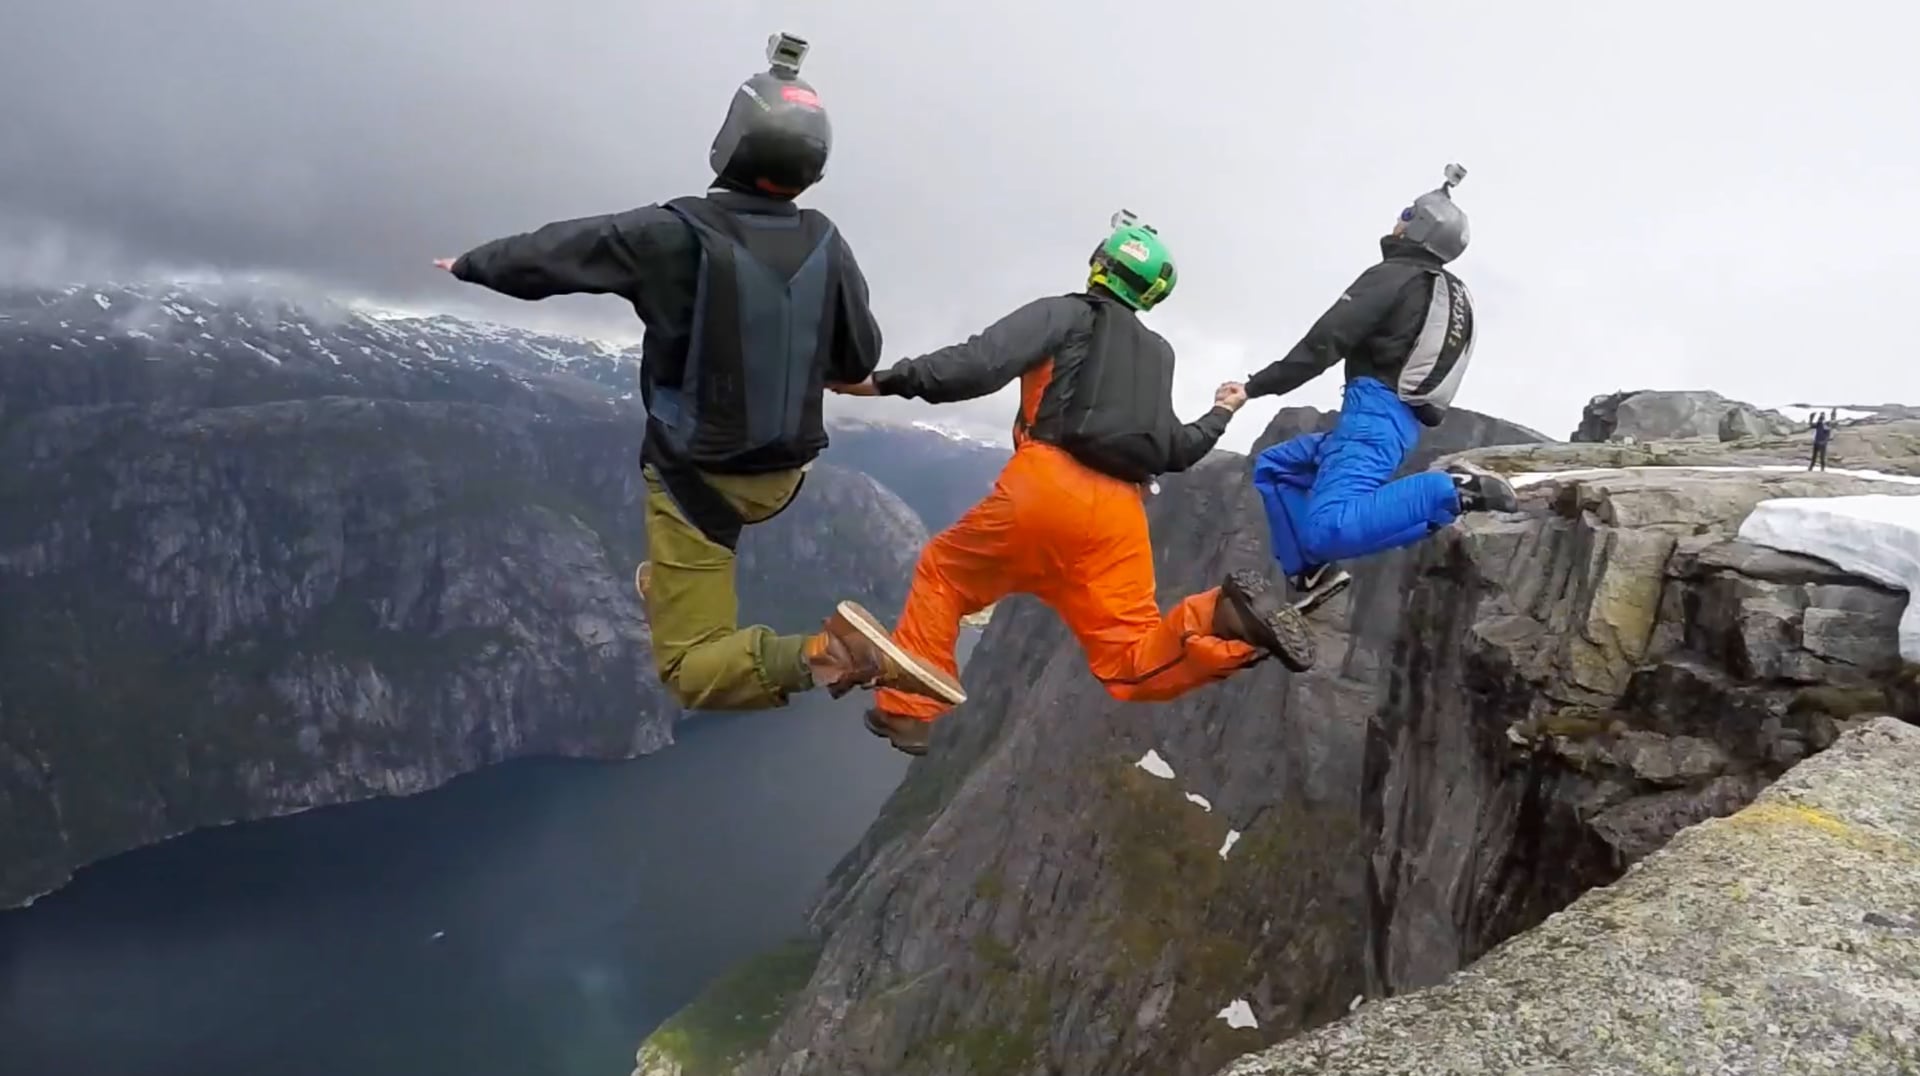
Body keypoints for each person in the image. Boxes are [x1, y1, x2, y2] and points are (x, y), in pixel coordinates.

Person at [434, 32, 963, 714]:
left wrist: (474, 263)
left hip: (697, 478)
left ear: (732, 140)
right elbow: (856, 359)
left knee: (687, 667)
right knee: (670, 563)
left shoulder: (673, 231)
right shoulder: (827, 240)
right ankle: (667, 583)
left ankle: (826, 655)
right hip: (783, 477)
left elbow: (554, 254)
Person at [829, 212, 1320, 755]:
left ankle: (910, 714)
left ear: (1098, 264)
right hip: (1118, 518)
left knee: (943, 576)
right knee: (1129, 660)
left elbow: (977, 363)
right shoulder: (1158, 355)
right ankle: (1223, 622)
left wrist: (879, 382)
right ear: (1153, 293)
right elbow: (1177, 449)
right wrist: (1221, 413)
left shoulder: (1065, 314)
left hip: (1045, 488)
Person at [1242, 165, 1518, 658]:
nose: (1396, 222)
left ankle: (1455, 490)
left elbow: (1327, 339)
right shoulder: (1452, 295)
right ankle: (1309, 571)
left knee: (1328, 526)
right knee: (1276, 466)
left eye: (1405, 215)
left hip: (1372, 415)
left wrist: (1255, 386)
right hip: (1391, 421)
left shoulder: (1394, 277)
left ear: (1415, 226)